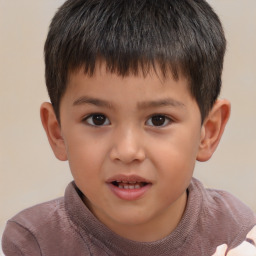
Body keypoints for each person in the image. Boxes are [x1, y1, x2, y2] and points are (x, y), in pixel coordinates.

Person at [2, 0, 256, 255]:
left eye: (158, 120)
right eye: (97, 119)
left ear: (208, 132)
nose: (126, 150)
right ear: (57, 133)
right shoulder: (33, 244)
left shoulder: (237, 233)